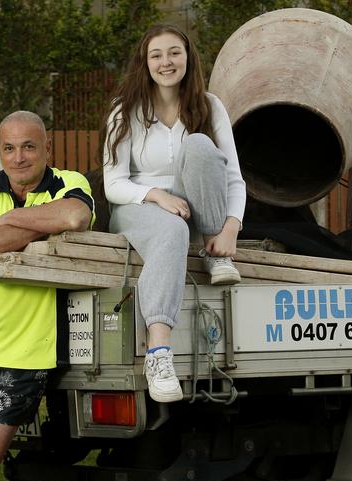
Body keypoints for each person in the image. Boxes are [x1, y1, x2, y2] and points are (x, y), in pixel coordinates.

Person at [0, 110, 95, 481]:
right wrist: (40, 229)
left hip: (24, 353)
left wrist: (7, 222)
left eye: (29, 146)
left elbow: (76, 216)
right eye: (9, 148)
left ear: (47, 147)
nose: (19, 157)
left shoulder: (69, 182)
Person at [103, 24, 247, 403]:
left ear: (188, 58)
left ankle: (217, 253)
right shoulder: (125, 110)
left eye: (174, 53)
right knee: (171, 229)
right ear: (144, 62)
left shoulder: (210, 105)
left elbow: (232, 176)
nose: (166, 62)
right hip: (137, 207)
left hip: (196, 212)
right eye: (156, 55)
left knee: (200, 146)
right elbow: (113, 184)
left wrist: (230, 226)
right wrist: (154, 195)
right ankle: (159, 352)